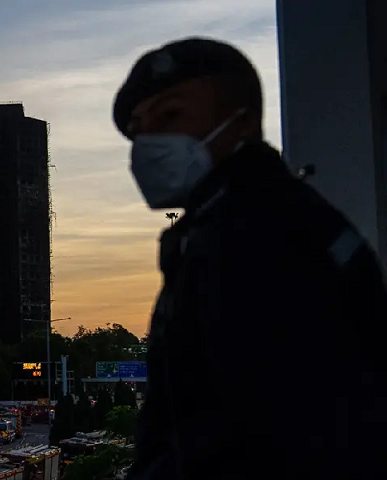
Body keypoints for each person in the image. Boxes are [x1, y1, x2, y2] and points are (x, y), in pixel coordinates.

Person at [112, 37, 387, 479]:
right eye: (139, 128)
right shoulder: (228, 225)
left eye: (171, 115)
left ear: (243, 122)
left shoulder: (263, 236)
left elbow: (270, 433)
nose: (149, 140)